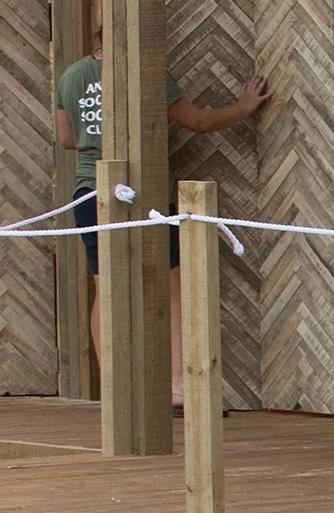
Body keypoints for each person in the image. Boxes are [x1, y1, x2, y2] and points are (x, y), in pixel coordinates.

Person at [54, 21, 269, 403]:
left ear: (96, 40)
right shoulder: (147, 73)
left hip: (91, 191)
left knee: (106, 289)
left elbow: (68, 139)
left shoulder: (72, 76)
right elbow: (197, 122)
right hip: (146, 191)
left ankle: (115, 391)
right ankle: (178, 388)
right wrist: (243, 107)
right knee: (171, 288)